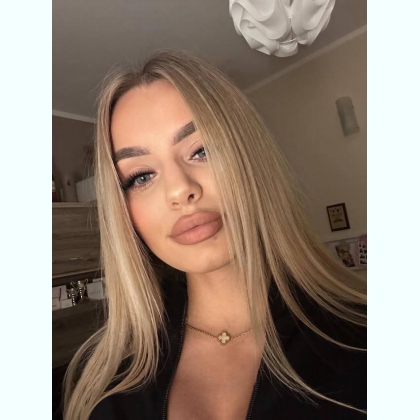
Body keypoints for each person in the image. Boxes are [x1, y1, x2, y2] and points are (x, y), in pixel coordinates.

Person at [63, 50, 367, 420]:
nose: (180, 190)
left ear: (250, 158)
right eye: (141, 176)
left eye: (201, 150)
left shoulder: (365, 339)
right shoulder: (105, 384)